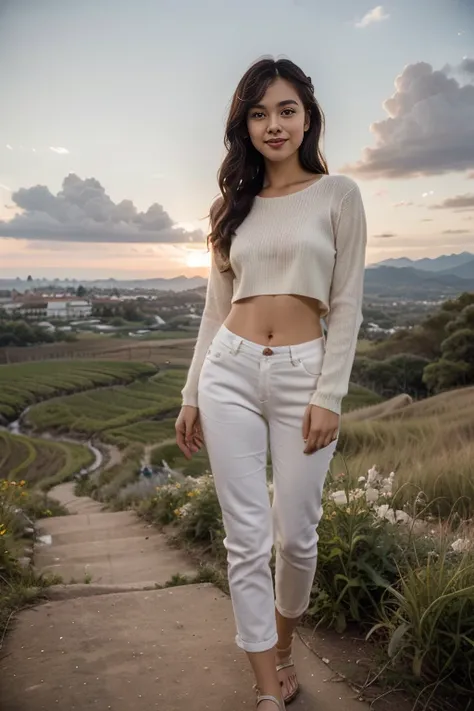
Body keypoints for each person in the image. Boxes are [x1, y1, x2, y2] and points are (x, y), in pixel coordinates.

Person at [175, 56, 367, 711]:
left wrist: (328, 395)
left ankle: (283, 646)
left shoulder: (339, 195)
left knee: (295, 535)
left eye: (285, 110)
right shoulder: (231, 206)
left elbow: (346, 303)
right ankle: (266, 691)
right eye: (258, 113)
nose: (273, 124)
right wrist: (191, 393)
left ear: (308, 115)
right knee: (247, 537)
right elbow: (212, 309)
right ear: (244, 126)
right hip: (228, 369)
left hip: (302, 377)